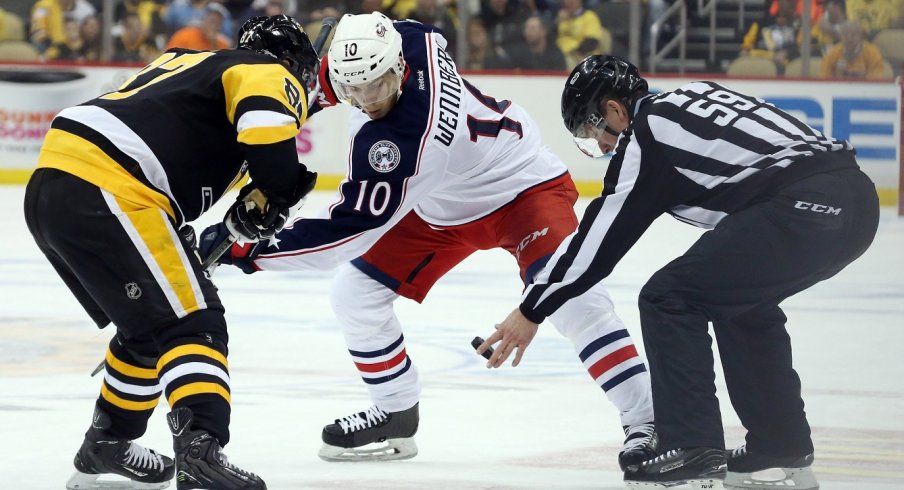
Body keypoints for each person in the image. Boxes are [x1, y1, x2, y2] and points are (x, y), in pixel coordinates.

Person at [201, 11, 656, 470]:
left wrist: (244, 248)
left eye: (377, 85)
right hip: (440, 202)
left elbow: (344, 235)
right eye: (353, 88)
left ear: (399, 67)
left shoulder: (405, 140)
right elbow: (359, 63)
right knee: (355, 293)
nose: (368, 101)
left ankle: (649, 421)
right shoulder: (410, 40)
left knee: (573, 299)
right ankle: (396, 410)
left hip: (519, 187)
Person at [480, 54, 879, 489]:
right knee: (741, 304)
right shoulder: (696, 94)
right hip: (857, 201)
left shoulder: (643, 137)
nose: (603, 147)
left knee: (667, 297)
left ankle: (690, 448)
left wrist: (531, 309)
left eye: (593, 133)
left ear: (615, 110)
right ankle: (780, 447)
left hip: (801, 206)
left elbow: (593, 248)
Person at [23, 14, 319, 490]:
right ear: (292, 63)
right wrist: (279, 189)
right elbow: (274, 157)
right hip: (111, 187)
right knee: (191, 321)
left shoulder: (188, 64)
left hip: (56, 185)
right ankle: (200, 451)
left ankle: (107, 443)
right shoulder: (264, 71)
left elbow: (184, 151)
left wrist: (251, 208)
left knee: (147, 328)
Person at [820, 20, 887, 79]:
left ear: (860, 36)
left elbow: (877, 78)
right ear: (840, 37)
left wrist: (863, 78)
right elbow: (824, 76)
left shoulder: (872, 52)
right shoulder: (833, 53)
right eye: (846, 35)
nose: (849, 39)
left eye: (853, 35)